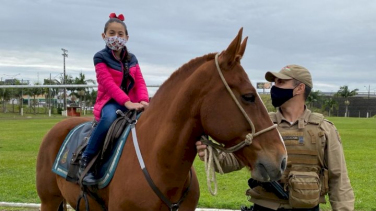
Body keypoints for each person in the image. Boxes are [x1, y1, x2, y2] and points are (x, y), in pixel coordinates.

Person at [196, 64, 354, 211]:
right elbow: (235, 160)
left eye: (280, 82)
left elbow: (338, 178)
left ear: (299, 88)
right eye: (274, 83)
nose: (274, 87)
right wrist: (212, 155)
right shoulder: (259, 125)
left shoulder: (323, 128)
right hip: (265, 206)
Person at [80, 12, 149, 184]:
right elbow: (107, 83)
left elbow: (139, 81)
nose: (116, 38)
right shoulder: (100, 57)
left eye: (120, 34)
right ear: (104, 36)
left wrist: (144, 101)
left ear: (127, 37)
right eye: (112, 33)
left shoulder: (132, 59)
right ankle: (86, 160)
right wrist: (127, 103)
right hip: (110, 102)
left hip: (132, 102)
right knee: (109, 118)